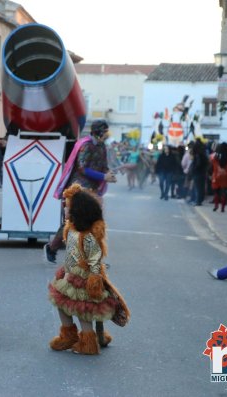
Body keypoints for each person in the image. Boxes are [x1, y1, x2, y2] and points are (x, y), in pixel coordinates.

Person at [47, 184, 129, 355]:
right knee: (65, 303)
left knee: (83, 310)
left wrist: (93, 280)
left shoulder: (88, 237)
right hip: (72, 273)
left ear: (78, 212)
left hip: (83, 278)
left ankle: (87, 342)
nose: (65, 210)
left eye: (67, 207)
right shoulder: (73, 229)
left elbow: (94, 260)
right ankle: (75, 335)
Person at [44, 120, 117, 263]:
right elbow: (82, 168)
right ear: (98, 132)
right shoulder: (85, 145)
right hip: (79, 188)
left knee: (94, 221)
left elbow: (103, 166)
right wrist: (103, 176)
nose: (107, 134)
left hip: (93, 189)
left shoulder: (102, 147)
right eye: (105, 131)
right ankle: (52, 247)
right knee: (73, 222)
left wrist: (109, 173)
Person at [210, 142, 227, 212]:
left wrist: (210, 174)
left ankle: (216, 205)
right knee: (223, 192)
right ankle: (222, 207)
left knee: (216, 192)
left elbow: (212, 166)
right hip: (225, 176)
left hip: (216, 175)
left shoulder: (216, 156)